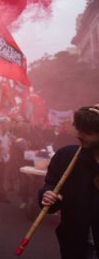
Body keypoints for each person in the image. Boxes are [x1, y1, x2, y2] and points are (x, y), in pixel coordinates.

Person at [39, 104, 99, 259]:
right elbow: (50, 184)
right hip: (74, 244)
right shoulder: (66, 156)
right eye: (79, 129)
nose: (79, 135)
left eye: (88, 133)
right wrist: (47, 194)